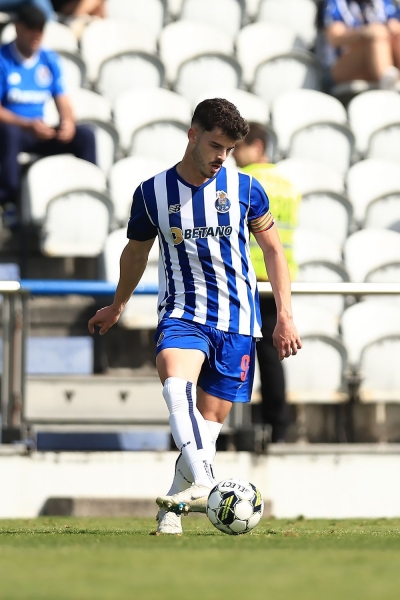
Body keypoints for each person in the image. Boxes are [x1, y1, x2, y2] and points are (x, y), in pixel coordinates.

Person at [88, 98, 302, 535]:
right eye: (215, 145)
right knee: (175, 383)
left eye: (229, 149)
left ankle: (172, 510)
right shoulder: (152, 193)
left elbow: (273, 251)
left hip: (238, 319)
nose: (222, 156)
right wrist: (118, 304)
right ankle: (206, 482)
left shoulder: (246, 188)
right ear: (193, 135)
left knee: (204, 431)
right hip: (182, 312)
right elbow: (135, 253)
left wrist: (285, 316)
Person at [233, 123, 301, 443]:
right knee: (273, 358)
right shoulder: (288, 186)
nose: (233, 155)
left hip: (247, 279)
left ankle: (231, 428)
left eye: (239, 147)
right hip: (277, 282)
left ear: (257, 146)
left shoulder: (244, 182)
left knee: (236, 355)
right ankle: (279, 427)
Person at [0, 4, 96, 227]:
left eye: (40, 29)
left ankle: (88, 194)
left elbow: (62, 100)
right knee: (9, 134)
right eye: (31, 29)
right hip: (15, 130)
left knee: (86, 135)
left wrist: (67, 123)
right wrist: (26, 124)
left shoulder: (48, 59)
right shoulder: (3, 59)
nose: (36, 35)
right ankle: (9, 202)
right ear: (18, 28)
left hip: (39, 130)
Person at [322, 0, 400, 89]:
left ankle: (391, 81)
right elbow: (335, 38)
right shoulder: (336, 3)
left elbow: (394, 25)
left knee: (397, 37)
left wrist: (393, 29)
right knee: (376, 38)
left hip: (378, 66)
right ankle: (389, 86)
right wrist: (364, 33)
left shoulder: (383, 2)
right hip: (340, 68)